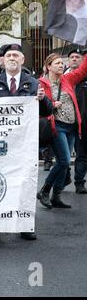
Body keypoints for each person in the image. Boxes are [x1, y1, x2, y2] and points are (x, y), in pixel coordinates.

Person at [0, 43, 53, 242]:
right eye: (8, 55)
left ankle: (24, 225)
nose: (12, 58)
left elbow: (47, 112)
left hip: (24, 145)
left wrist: (43, 99)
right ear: (3, 60)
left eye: (15, 55)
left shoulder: (33, 83)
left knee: (24, 184)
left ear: (22, 60)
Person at [37, 50, 87, 209]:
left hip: (71, 126)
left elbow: (83, 70)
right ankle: (45, 190)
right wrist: (51, 103)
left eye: (61, 63)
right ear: (48, 66)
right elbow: (38, 104)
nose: (61, 65)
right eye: (57, 63)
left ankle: (56, 196)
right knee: (65, 160)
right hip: (56, 126)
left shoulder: (68, 79)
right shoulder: (41, 83)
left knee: (63, 163)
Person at [65, 48, 87, 194]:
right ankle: (64, 176)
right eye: (71, 57)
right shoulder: (61, 75)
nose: (74, 59)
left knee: (82, 154)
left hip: (82, 122)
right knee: (63, 154)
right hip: (64, 122)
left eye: (77, 57)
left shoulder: (84, 78)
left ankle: (79, 183)